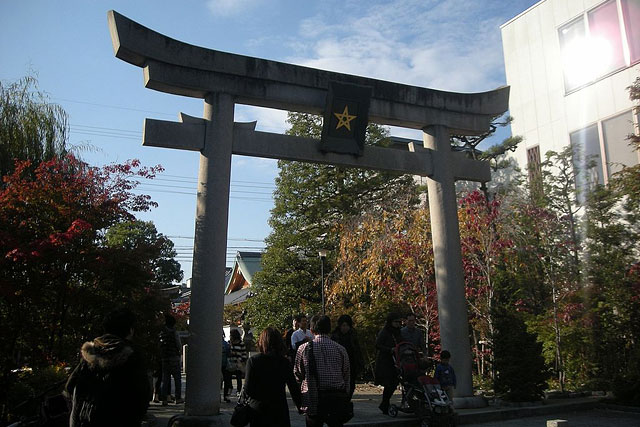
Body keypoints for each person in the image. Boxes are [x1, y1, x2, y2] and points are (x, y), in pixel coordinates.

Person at [65, 307, 150, 427]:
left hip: (87, 419)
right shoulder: (132, 357)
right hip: (120, 420)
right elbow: (142, 395)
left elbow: (71, 386)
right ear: (130, 330)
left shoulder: (91, 353)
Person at [295, 315, 351, 427]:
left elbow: (297, 374)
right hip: (336, 397)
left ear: (311, 330)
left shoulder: (304, 348)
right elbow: (346, 375)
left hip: (313, 397)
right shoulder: (340, 349)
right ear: (329, 329)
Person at [243, 327, 302, 426]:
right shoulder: (284, 362)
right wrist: (300, 405)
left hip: (259, 409)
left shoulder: (253, 361)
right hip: (279, 409)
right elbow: (293, 387)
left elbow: (248, 389)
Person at [374, 312, 402, 415]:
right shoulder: (385, 332)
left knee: (394, 383)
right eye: (396, 322)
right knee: (389, 383)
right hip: (385, 361)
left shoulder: (398, 332)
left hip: (396, 361)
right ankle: (385, 404)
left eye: (399, 322)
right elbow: (378, 345)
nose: (398, 324)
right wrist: (390, 349)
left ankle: (385, 404)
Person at [330, 314, 364, 397]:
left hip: (351, 363)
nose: (345, 328)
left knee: (351, 385)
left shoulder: (353, 335)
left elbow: (357, 351)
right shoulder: (335, 336)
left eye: (347, 326)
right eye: (343, 325)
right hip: (338, 364)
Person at [159, 313, 183, 405]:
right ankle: (178, 398)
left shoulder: (162, 332)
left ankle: (164, 399)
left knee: (165, 380)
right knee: (177, 379)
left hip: (165, 358)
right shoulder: (174, 332)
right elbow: (178, 344)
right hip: (174, 357)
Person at [229, 328, 249, 395]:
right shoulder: (230, 343)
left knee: (238, 377)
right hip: (231, 363)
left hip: (238, 363)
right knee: (229, 377)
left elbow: (244, 353)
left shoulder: (241, 343)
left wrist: (242, 361)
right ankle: (230, 388)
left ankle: (238, 390)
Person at [222, 331, 232, 402]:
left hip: (217, 364)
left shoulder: (213, 344)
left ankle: (217, 396)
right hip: (225, 364)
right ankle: (226, 396)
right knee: (227, 381)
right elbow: (229, 354)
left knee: (218, 382)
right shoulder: (226, 344)